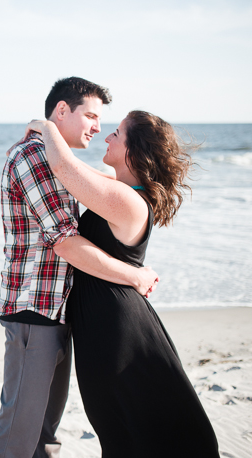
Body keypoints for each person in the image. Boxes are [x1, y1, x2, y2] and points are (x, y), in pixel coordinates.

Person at [24, 110, 219, 455]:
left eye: (116, 133)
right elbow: (74, 168)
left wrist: (46, 126)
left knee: (130, 425)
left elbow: (65, 169)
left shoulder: (129, 200)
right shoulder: (120, 189)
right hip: (104, 321)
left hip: (116, 328)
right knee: (119, 425)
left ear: (134, 150)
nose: (107, 138)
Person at [0, 77, 160, 458]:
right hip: (34, 310)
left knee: (46, 431)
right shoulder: (33, 157)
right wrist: (134, 275)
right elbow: (64, 242)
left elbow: (107, 180)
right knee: (20, 425)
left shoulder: (56, 160)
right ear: (63, 110)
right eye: (91, 116)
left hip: (56, 310)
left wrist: (47, 128)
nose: (98, 128)